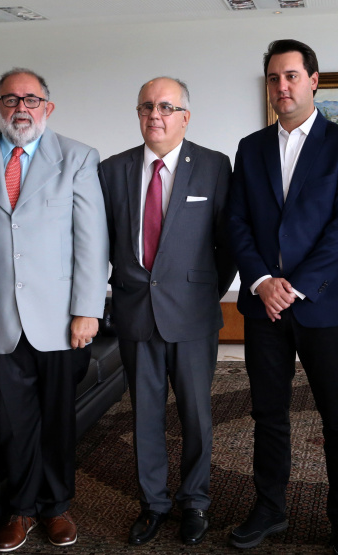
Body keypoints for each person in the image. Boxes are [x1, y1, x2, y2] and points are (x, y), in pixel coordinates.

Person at [227, 39, 338, 555]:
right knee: (267, 413)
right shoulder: (250, 147)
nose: (281, 87)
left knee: (337, 414)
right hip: (263, 304)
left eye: (290, 76)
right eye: (273, 78)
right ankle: (270, 508)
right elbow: (237, 222)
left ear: (314, 80)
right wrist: (263, 281)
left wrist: (297, 285)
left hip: (323, 302)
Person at [0, 68, 109, 552]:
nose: (20, 107)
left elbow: (92, 242)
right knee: (14, 420)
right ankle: (21, 509)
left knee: (57, 418)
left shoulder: (78, 157)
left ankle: (57, 507)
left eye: (31, 98)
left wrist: (87, 309)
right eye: (9, 99)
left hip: (62, 319)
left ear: (48, 106)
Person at [100, 76, 235, 547]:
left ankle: (195, 500)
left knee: (197, 415)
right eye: (145, 107)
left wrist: (205, 291)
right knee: (145, 415)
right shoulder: (112, 170)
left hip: (193, 314)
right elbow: (100, 242)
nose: (154, 115)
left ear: (184, 116)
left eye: (165, 107)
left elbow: (228, 241)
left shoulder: (215, 166)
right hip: (136, 312)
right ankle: (153, 503)